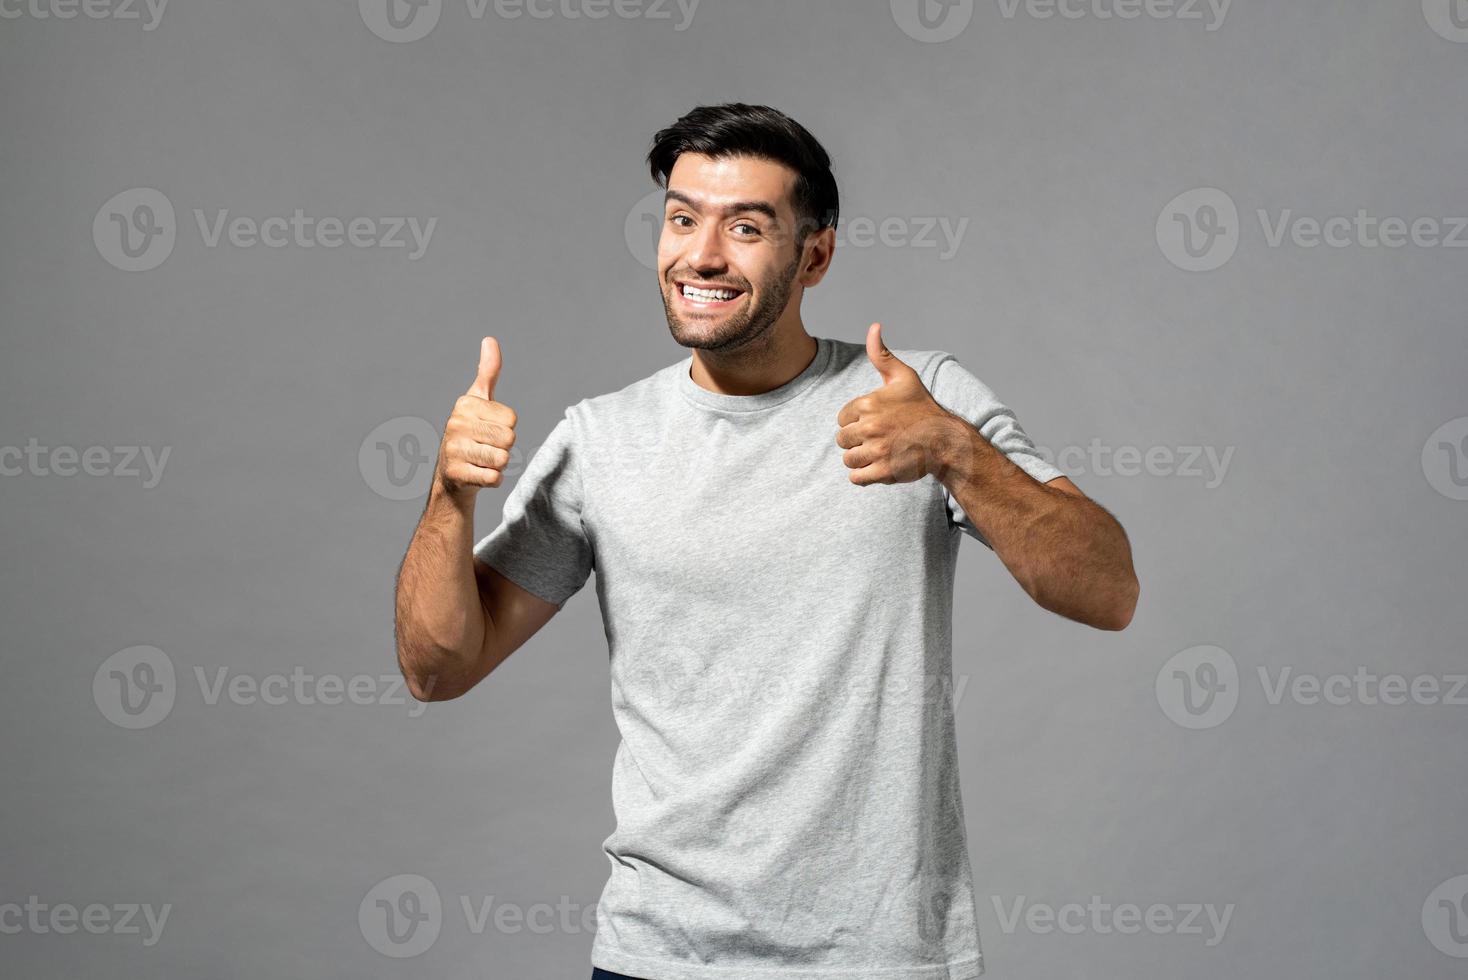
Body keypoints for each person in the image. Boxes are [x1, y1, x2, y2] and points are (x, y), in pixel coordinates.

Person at [394, 102, 1139, 980]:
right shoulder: (604, 439)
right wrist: (449, 496)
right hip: (659, 959)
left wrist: (954, 450)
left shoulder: (920, 399)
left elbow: (1108, 591)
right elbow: (437, 668)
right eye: (681, 219)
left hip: (883, 962)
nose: (701, 255)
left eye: (745, 227)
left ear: (814, 255)